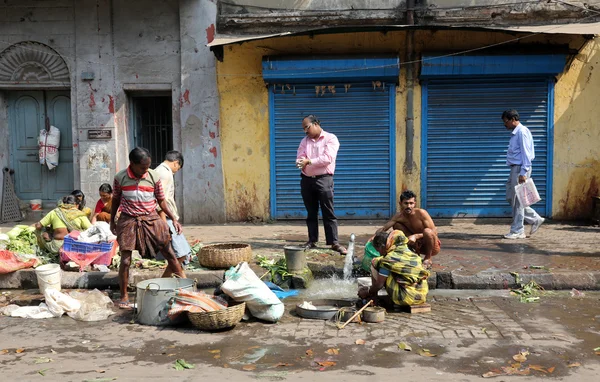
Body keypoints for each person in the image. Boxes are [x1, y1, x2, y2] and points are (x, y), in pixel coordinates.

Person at [110, 147, 186, 309]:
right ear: (132, 164)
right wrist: (112, 221)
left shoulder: (154, 176)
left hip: (151, 218)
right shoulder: (120, 178)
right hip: (128, 219)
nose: (146, 170)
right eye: (143, 167)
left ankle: (186, 290)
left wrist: (173, 218)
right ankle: (124, 296)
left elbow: (161, 200)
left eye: (148, 166)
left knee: (170, 253)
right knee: (125, 260)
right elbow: (116, 200)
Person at [296, 115, 347, 255]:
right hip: (307, 179)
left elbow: (328, 158)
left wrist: (308, 161)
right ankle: (312, 240)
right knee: (311, 212)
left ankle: (333, 242)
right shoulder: (304, 141)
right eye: (303, 129)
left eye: (307, 127)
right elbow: (300, 157)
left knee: (328, 211)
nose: (305, 131)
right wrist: (300, 162)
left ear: (316, 124)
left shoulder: (331, 138)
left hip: (324, 179)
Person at [358, 230, 430, 307]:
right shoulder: (410, 253)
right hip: (421, 296)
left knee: (375, 262)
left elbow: (379, 285)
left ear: (382, 246)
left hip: (404, 298)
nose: (379, 253)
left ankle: (374, 298)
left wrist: (368, 291)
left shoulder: (389, 260)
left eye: (378, 250)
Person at [502, 109, 545, 239]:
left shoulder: (522, 132)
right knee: (511, 197)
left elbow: (526, 154)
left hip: (520, 168)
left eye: (506, 122)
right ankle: (535, 218)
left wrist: (523, 172)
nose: (505, 125)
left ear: (513, 119)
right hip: (515, 168)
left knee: (518, 200)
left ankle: (517, 230)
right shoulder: (516, 133)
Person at [376, 190, 440, 268]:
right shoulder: (399, 216)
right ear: (400, 204)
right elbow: (384, 229)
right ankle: (412, 253)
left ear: (415, 204)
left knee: (427, 231)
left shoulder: (421, 213)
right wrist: (375, 237)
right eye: (406, 203)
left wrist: (416, 236)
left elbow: (434, 231)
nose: (409, 206)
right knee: (396, 225)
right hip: (415, 244)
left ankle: (428, 258)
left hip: (431, 246)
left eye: (411, 203)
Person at [154, 151, 192, 265]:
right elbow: (160, 200)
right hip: (166, 215)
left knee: (177, 246)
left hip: (167, 215)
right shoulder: (165, 174)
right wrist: (165, 223)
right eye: (178, 168)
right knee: (181, 253)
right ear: (176, 163)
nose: (177, 171)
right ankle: (177, 268)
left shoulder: (159, 170)